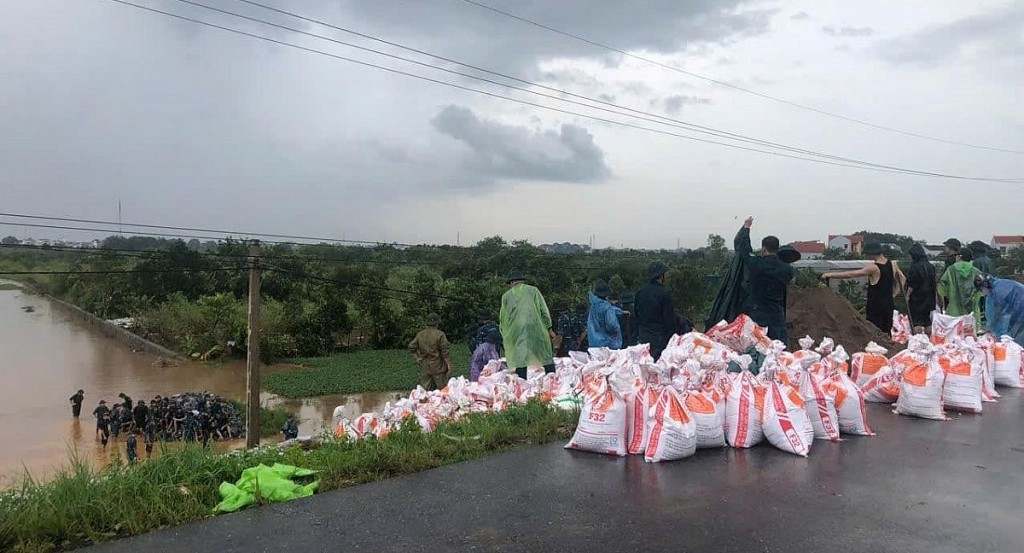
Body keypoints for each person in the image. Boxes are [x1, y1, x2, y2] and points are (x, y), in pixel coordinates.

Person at [735, 217, 796, 343]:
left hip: (757, 314)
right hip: (777, 316)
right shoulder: (787, 270)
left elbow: (744, 250)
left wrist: (746, 228)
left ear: (763, 249)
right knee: (778, 349)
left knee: (757, 347)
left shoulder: (756, 264)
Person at [823, 242, 906, 334]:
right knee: (886, 330)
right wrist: (895, 293)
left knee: (874, 331)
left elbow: (851, 274)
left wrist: (830, 274)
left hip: (875, 305)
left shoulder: (874, 268)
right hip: (889, 303)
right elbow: (902, 279)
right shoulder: (893, 265)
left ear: (872, 253)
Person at [499, 268, 556, 379]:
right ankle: (552, 377)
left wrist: (506, 334)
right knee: (544, 352)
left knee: (520, 356)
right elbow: (544, 310)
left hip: (517, 329)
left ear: (511, 282)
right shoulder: (533, 291)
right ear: (522, 280)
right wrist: (549, 328)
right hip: (536, 327)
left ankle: (522, 381)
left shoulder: (506, 296)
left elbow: (504, 319)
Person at [634, 261, 678, 360]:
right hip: (659, 338)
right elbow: (669, 320)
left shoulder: (640, 292)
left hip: (643, 335)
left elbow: (636, 314)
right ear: (661, 276)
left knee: (645, 363)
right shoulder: (664, 294)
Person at [938, 247, 983, 331]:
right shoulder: (976, 271)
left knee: (955, 334)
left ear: (959, 257)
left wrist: (948, 295)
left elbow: (942, 287)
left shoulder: (950, 270)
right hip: (971, 308)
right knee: (970, 334)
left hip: (954, 307)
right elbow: (982, 288)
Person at [975, 275, 1024, 346]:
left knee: (1016, 342)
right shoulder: (998, 284)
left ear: (984, 286)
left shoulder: (997, 290)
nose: (981, 292)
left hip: (1021, 309)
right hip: (1019, 308)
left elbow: (998, 311)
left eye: (980, 290)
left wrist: (991, 325)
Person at [408, 313, 452, 391]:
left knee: (425, 392)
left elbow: (412, 346)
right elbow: (445, 352)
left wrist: (417, 358)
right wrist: (448, 365)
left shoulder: (420, 334)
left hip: (425, 366)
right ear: (437, 323)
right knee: (442, 392)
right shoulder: (440, 335)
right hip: (438, 367)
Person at [905, 243, 938, 334]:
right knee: (927, 320)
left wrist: (907, 295)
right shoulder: (931, 266)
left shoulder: (914, 267)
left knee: (917, 321)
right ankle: (928, 339)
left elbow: (912, 283)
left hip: (917, 297)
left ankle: (918, 339)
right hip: (929, 296)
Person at [588, 282, 625, 349]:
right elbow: (611, 323)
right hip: (607, 343)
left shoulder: (593, 306)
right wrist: (614, 332)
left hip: (594, 342)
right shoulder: (607, 307)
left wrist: (620, 311)